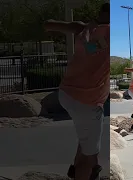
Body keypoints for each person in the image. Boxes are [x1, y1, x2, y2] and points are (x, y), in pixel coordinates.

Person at [44, 2, 110, 180]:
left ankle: (90, 169)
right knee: (88, 155)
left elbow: (50, 23)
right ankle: (85, 171)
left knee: (87, 140)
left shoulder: (83, 28)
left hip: (67, 93)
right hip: (87, 101)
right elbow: (95, 47)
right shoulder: (111, 35)